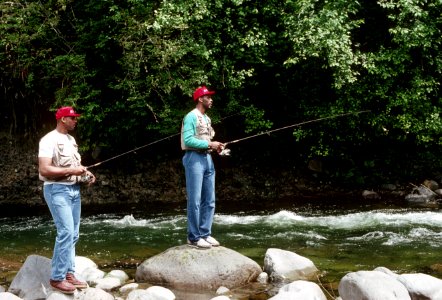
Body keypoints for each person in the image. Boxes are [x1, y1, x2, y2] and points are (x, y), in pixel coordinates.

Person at [38, 106, 96, 294]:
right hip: (56, 190)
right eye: (72, 118)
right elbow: (44, 170)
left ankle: (69, 273)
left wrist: (86, 174)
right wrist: (72, 171)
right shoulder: (48, 140)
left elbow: (75, 166)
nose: (75, 120)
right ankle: (57, 278)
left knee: (74, 234)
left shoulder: (71, 140)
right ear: (63, 119)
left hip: (73, 190)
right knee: (65, 232)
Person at [181, 86, 224, 249]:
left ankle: (205, 233)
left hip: (207, 158)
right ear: (200, 99)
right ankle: (193, 237)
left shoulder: (207, 118)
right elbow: (188, 140)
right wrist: (209, 144)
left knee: (210, 199)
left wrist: (216, 147)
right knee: (195, 199)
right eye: (208, 97)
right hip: (193, 159)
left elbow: (207, 140)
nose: (211, 99)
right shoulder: (191, 116)